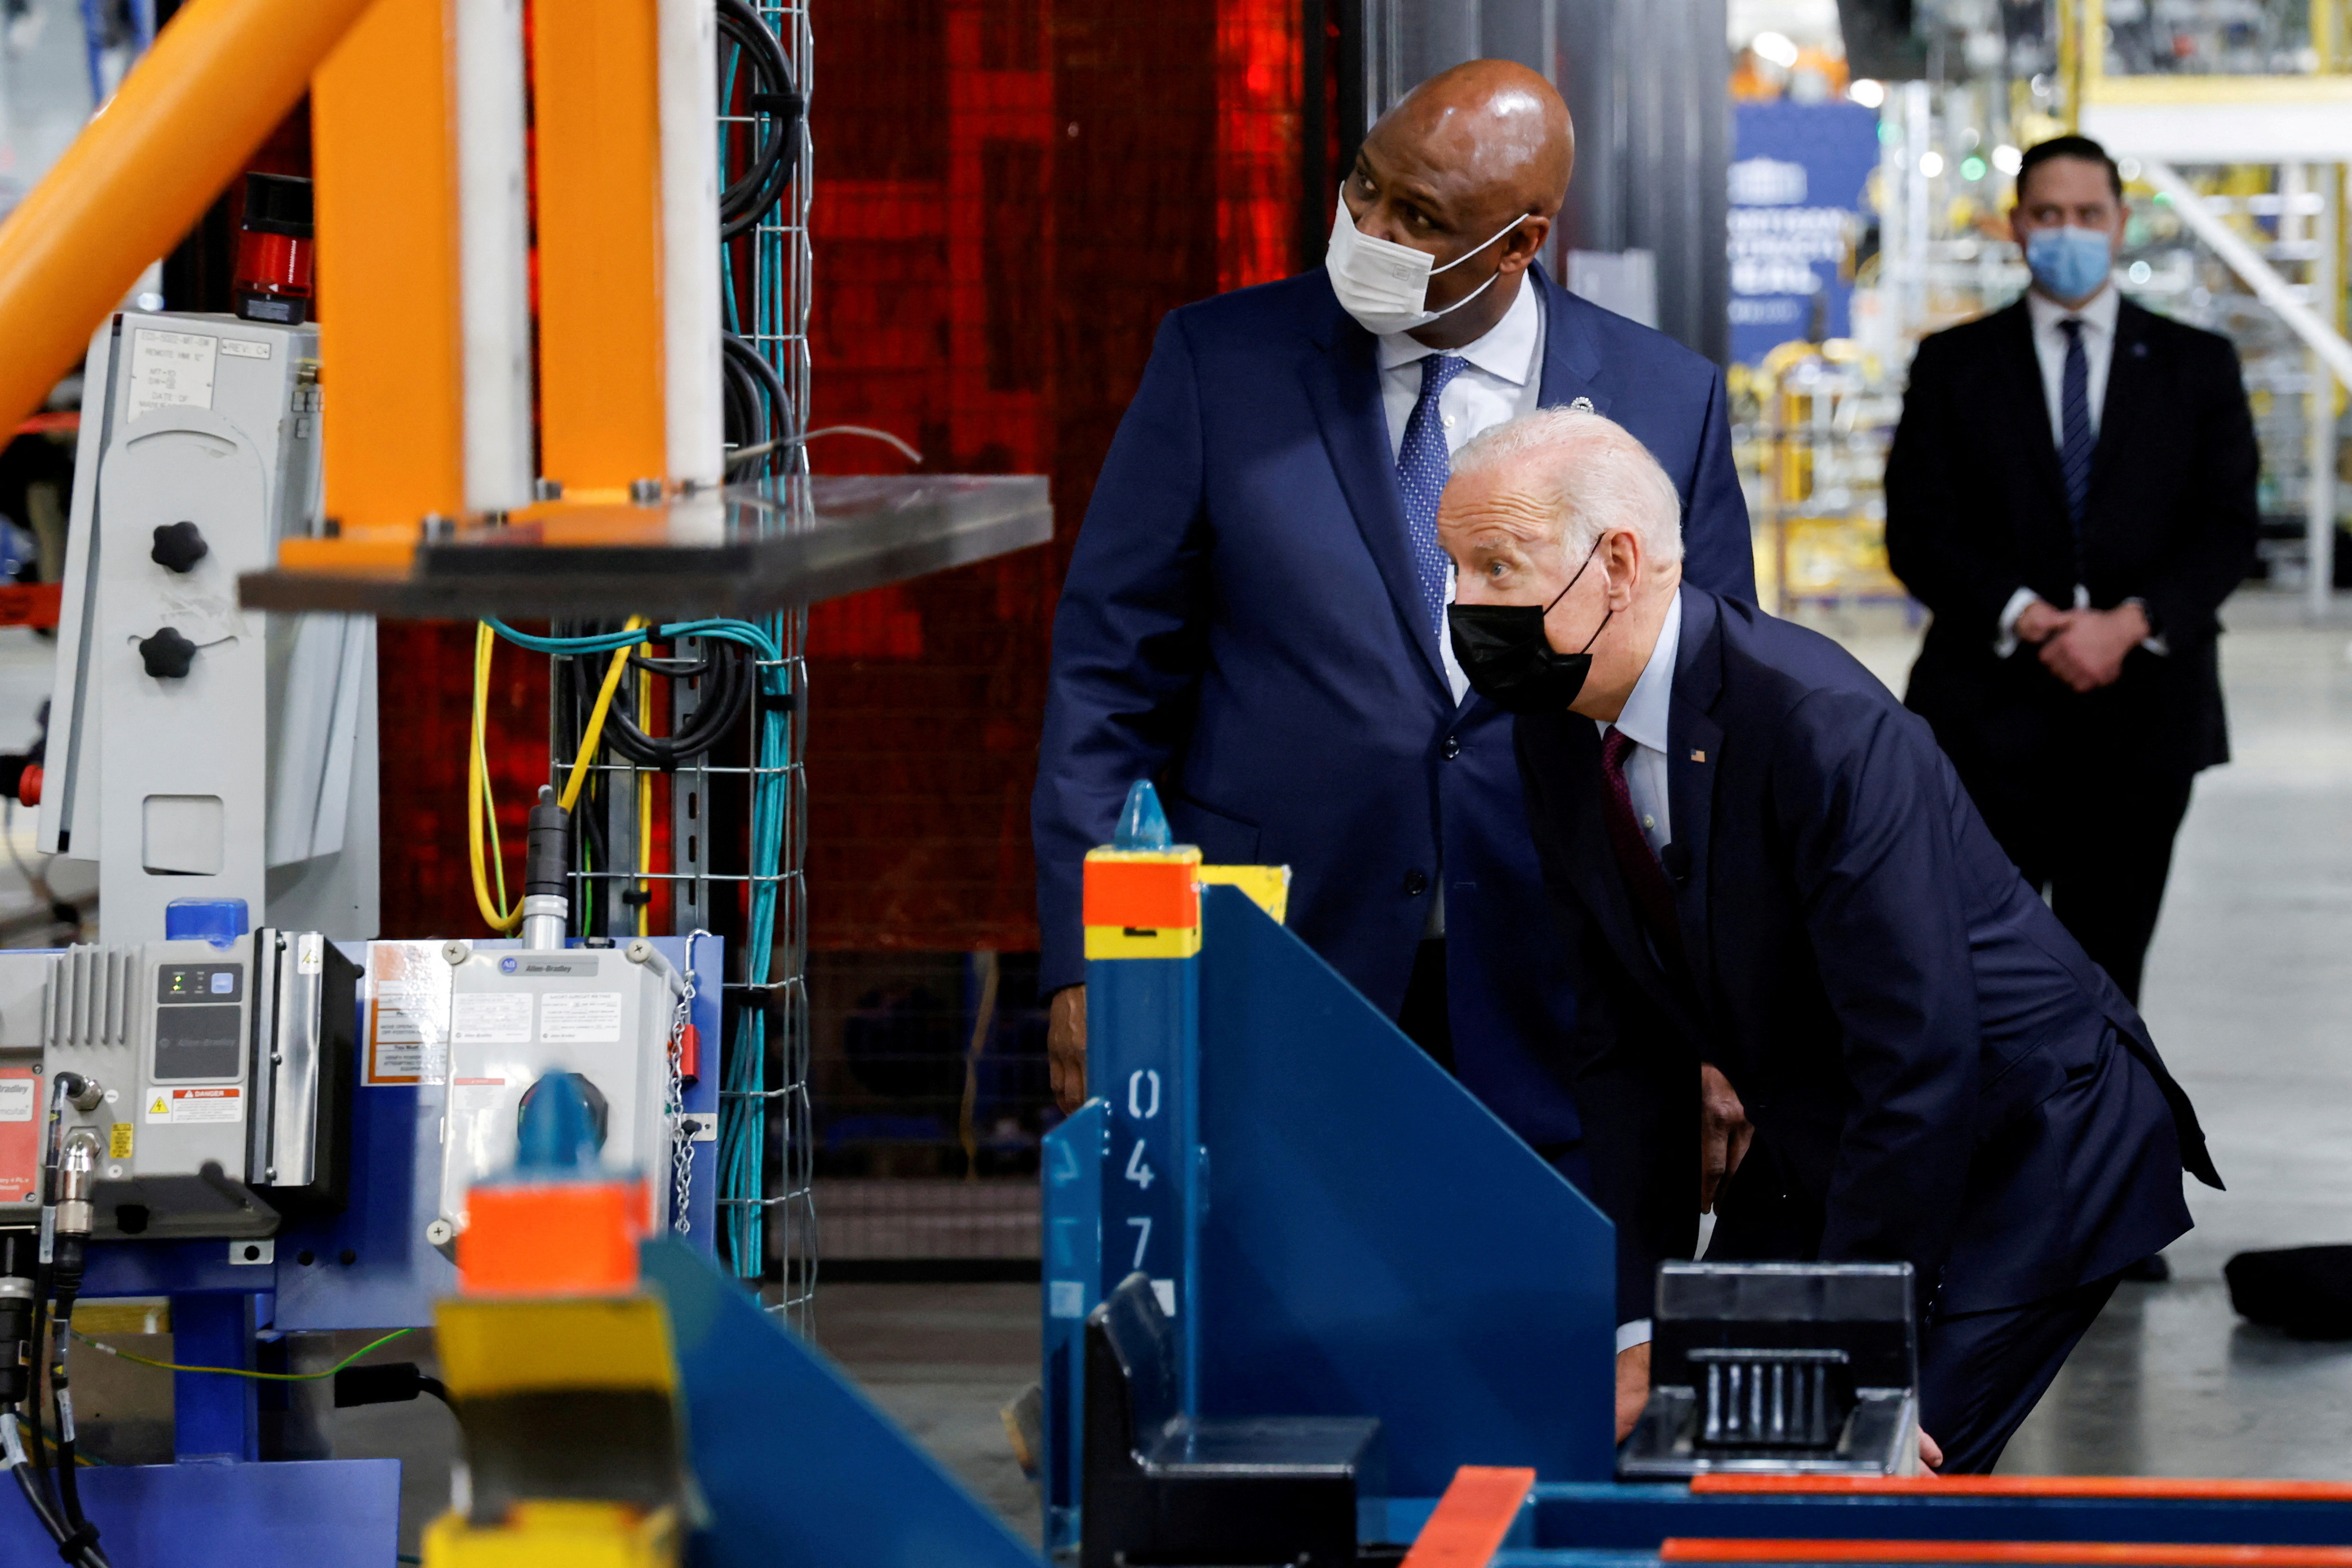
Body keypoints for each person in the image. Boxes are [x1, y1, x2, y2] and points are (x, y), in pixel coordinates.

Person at [1441, 407, 2220, 1474]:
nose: (1461, 603)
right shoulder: (1557, 727)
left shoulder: (1817, 725)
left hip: (2021, 1132)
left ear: (1616, 563)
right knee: (1688, 1439)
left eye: (1494, 565)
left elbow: (1920, 1054)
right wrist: (1636, 1326)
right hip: (1827, 1119)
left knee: (1852, 1466)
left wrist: (1853, 1360)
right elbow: (1620, 1048)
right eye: (1453, 566)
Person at [1030, 60, 1757, 1166]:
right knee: (1288, 1318)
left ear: (1519, 243)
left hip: (1565, 990)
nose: (1364, 228)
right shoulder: (1219, 364)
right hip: (1277, 961)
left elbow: (1707, 727)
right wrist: (1098, 955)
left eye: (1416, 217)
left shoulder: (1666, 398)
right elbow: (1108, 677)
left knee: (1547, 1325)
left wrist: (1730, 1005)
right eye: (1362, 186)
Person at [1885, 133, 2260, 1008]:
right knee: (1978, 978)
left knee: (2107, 980)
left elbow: (2226, 529)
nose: (2067, 231)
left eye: (2086, 214)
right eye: (2047, 214)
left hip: (2143, 723)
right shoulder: (1954, 366)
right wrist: (2029, 616)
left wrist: (2125, 623)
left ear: (2119, 223)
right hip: (1985, 720)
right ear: (2014, 226)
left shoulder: (2193, 367)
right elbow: (1917, 530)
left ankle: (2105, 1146)